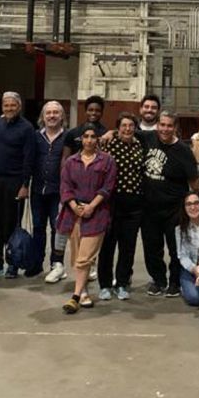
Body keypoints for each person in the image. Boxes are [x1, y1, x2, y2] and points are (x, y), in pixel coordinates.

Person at [58, 123, 117, 313]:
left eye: (93, 136)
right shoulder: (71, 162)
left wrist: (92, 206)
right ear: (81, 139)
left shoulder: (107, 161)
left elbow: (108, 187)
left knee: (85, 257)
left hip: (97, 213)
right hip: (74, 213)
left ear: (98, 139)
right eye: (86, 136)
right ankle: (83, 292)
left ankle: (74, 296)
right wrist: (75, 206)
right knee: (77, 256)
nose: (89, 140)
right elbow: (65, 187)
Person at [140, 111, 199, 297]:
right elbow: (127, 131)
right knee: (151, 247)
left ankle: (175, 282)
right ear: (157, 125)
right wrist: (110, 133)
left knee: (176, 249)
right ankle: (158, 280)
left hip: (174, 209)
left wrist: (198, 206)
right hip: (149, 207)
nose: (165, 129)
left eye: (169, 126)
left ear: (175, 128)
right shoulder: (148, 138)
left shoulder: (183, 151)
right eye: (162, 125)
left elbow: (194, 182)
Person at [0, 91, 36, 278]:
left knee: (11, 225)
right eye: (6, 105)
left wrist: (25, 185)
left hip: (14, 183)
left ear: (19, 106)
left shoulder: (27, 128)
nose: (9, 108)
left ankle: (13, 264)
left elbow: (29, 159)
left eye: (13, 105)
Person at [96, 112, 146, 299]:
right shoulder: (108, 144)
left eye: (131, 126)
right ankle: (105, 285)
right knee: (108, 246)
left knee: (128, 247)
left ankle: (123, 283)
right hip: (111, 203)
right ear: (118, 128)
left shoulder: (139, 146)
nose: (127, 129)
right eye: (124, 125)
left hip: (133, 204)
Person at [30, 101, 67, 280]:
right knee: (37, 227)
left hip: (58, 191)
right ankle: (36, 263)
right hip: (37, 190)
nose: (52, 116)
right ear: (43, 117)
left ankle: (56, 264)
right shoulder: (36, 136)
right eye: (48, 113)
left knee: (57, 228)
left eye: (56, 113)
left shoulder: (67, 138)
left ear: (62, 116)